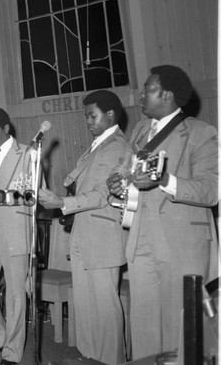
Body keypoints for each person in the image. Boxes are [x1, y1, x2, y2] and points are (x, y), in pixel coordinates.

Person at [107, 65, 218, 359]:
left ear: (166, 94)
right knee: (143, 325)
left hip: (180, 244)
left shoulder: (200, 133)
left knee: (177, 329)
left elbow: (211, 191)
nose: (140, 95)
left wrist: (165, 180)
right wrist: (118, 182)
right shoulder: (141, 130)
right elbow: (126, 170)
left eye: (147, 89)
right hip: (141, 238)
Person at [38, 90, 128, 365]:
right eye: (85, 115)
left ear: (110, 114)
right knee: (88, 307)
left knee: (104, 308)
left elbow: (101, 195)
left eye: (92, 115)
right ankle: (91, 357)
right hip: (86, 234)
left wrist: (61, 201)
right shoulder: (98, 145)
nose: (87, 120)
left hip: (102, 237)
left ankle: (111, 360)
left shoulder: (115, 146)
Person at [0, 108, 35, 365]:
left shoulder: (27, 153)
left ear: (6, 129)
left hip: (15, 230)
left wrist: (3, 197)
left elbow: (34, 195)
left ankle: (12, 353)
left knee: (15, 294)